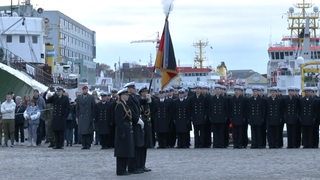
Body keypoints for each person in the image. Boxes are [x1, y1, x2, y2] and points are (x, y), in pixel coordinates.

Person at [114, 88, 135, 176]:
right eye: (126, 95)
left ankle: (124, 168)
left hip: (127, 130)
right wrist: (122, 132)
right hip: (122, 131)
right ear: (122, 96)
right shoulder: (119, 106)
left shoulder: (125, 105)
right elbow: (119, 121)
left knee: (126, 150)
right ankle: (120, 170)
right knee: (121, 152)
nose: (127, 96)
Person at [76, 85, 95, 149]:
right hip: (82, 116)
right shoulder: (79, 98)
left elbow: (93, 107)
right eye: (84, 89)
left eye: (86, 89)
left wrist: (93, 116)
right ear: (82, 90)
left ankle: (88, 144)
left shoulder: (91, 97)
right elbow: (77, 108)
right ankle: (84, 144)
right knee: (82, 132)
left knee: (88, 132)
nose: (85, 90)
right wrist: (77, 116)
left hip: (89, 116)